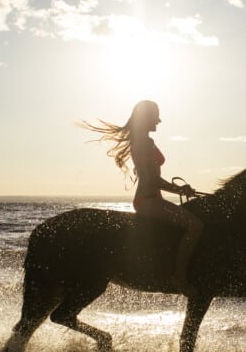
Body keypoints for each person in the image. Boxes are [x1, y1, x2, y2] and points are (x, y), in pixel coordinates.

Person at [80, 100, 203, 293]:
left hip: (154, 199)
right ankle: (179, 276)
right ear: (147, 118)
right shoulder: (142, 143)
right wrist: (180, 190)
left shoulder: (146, 142)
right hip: (148, 201)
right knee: (195, 225)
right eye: (156, 116)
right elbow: (151, 180)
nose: (159, 121)